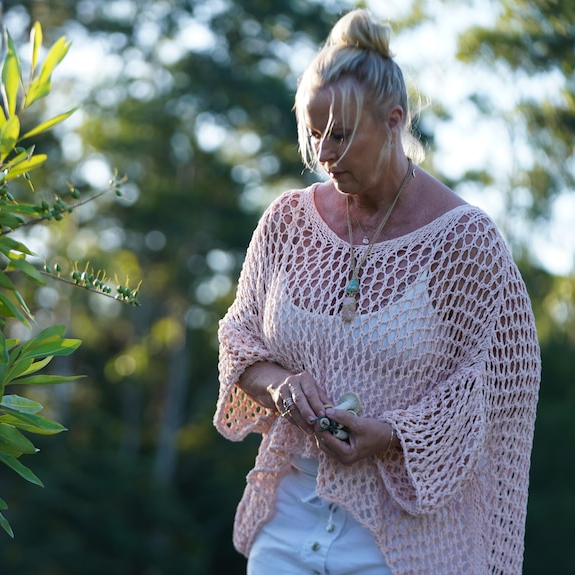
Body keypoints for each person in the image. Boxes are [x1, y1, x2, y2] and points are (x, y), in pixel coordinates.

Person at [214, 8, 540, 575]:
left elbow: (496, 387)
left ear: (393, 122)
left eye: (339, 134)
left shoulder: (463, 240)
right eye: (314, 135)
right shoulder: (287, 222)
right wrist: (281, 387)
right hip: (288, 522)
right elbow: (239, 341)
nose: (323, 155)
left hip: (403, 541)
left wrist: (391, 435)